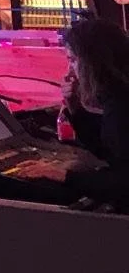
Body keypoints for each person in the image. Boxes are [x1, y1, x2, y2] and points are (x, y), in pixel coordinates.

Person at [48, 19, 129, 204]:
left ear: (93, 62)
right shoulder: (118, 97)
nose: (70, 71)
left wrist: (65, 176)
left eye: (73, 60)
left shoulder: (121, 105)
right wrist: (75, 107)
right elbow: (112, 152)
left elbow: (124, 184)